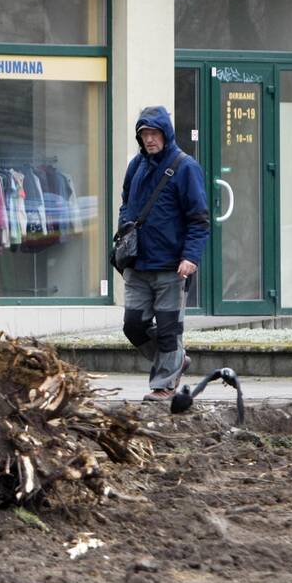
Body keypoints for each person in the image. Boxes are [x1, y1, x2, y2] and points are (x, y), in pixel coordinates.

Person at [118, 106, 210, 401]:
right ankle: (175, 362)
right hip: (137, 263)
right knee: (133, 326)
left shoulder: (185, 167)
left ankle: (164, 386)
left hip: (172, 266)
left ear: (166, 133)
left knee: (169, 329)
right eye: (144, 134)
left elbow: (199, 219)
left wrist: (190, 257)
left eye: (154, 133)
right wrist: (124, 230)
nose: (149, 139)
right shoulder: (136, 166)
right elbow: (125, 203)